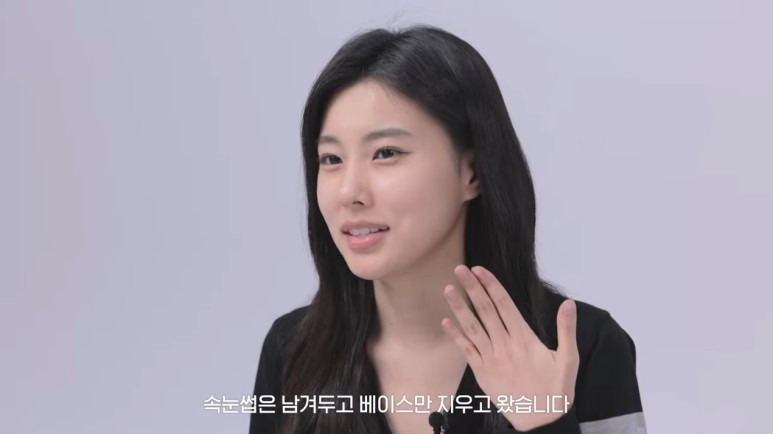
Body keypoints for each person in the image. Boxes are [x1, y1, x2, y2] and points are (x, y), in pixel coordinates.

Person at [249, 25, 646, 434]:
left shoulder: (583, 348)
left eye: (386, 153)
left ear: (471, 172)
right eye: (331, 159)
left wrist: (544, 421)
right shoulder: (292, 350)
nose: (350, 192)